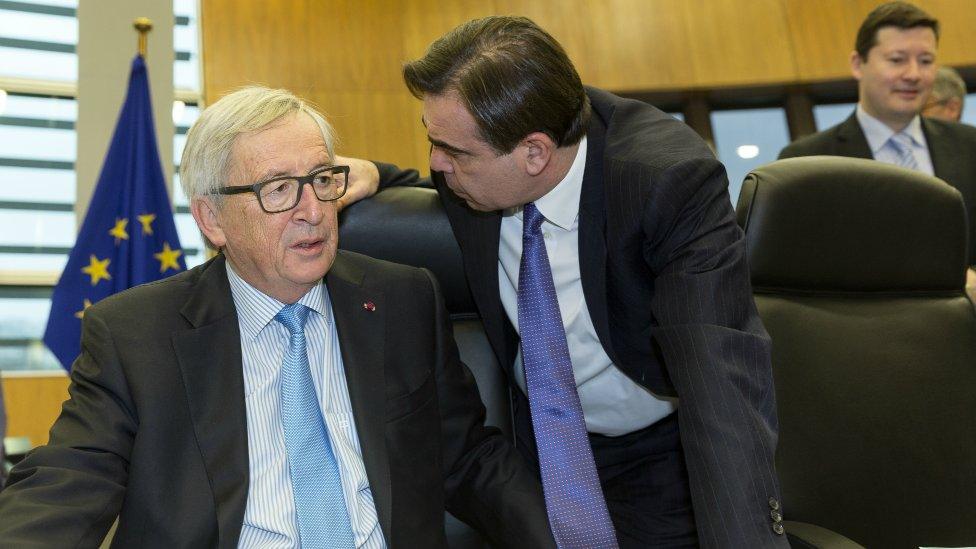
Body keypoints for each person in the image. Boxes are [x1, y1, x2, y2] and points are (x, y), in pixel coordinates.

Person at [0, 86, 554, 548]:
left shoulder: (403, 299)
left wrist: (575, 539)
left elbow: (470, 458)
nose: (313, 211)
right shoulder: (136, 336)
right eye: (279, 190)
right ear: (212, 218)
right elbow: (67, 478)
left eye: (321, 180)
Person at [341, 16, 787, 549]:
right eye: (431, 141)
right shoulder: (476, 160)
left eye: (454, 152)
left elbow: (721, 379)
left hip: (659, 456)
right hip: (537, 451)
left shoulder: (665, 182)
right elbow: (438, 182)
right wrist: (381, 175)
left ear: (535, 152)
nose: (438, 164)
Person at [779, 1, 976, 267]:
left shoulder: (969, 146)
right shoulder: (806, 161)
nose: (913, 74)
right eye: (897, 60)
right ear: (858, 64)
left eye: (926, 61)